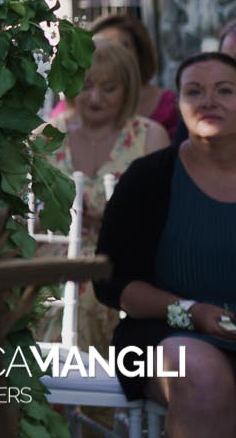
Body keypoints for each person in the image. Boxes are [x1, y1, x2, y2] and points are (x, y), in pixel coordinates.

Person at [94, 52, 236, 436]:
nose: (208, 101)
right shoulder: (148, 178)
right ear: (180, 104)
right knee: (203, 378)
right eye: (194, 91)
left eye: (225, 90)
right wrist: (191, 312)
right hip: (164, 334)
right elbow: (112, 283)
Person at [41, 35, 167, 348]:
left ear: (128, 89)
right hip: (54, 269)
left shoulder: (150, 137)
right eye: (85, 86)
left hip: (127, 266)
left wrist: (115, 221)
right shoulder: (44, 137)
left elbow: (165, 216)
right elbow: (23, 215)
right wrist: (59, 218)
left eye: (109, 88)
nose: (95, 98)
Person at [91, 12, 183, 143]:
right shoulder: (74, 106)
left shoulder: (170, 107)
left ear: (140, 53)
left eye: (123, 46)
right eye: (104, 44)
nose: (113, 54)